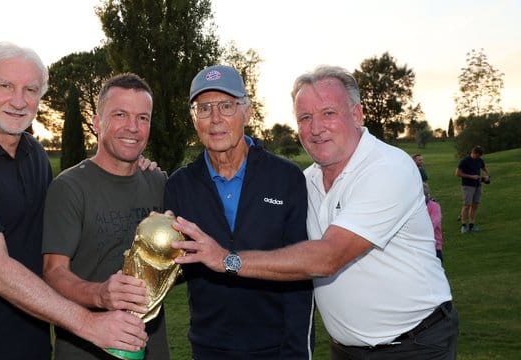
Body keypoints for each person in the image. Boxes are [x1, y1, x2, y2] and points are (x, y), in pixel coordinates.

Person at [170, 65, 458, 360]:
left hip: (413, 345)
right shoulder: (306, 181)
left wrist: (226, 260)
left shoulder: (388, 168)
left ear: (356, 114)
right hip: (345, 349)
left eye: (328, 113)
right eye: (305, 118)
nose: (316, 128)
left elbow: (328, 256)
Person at [0, 42, 147, 359]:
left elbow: (57, 235)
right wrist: (89, 324)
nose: (19, 100)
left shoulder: (33, 155)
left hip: (29, 347)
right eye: (5, 85)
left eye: (31, 89)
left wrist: (130, 164)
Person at [164, 65, 315, 359]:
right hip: (209, 349)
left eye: (226, 105)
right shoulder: (179, 186)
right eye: (204, 108)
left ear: (247, 112)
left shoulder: (286, 178)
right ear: (194, 120)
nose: (216, 118)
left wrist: (298, 352)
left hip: (276, 348)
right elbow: (176, 266)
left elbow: (302, 273)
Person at [42, 73, 170, 360]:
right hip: (86, 351)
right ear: (97, 122)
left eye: (142, 118)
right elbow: (53, 272)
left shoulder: (159, 183)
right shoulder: (69, 188)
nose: (133, 128)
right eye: (120, 114)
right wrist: (101, 294)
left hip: (151, 349)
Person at [456, 145, 490, 233]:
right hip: (467, 186)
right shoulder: (464, 161)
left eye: (479, 156)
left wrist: (487, 175)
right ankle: (463, 225)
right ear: (473, 153)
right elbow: (458, 173)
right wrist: (471, 176)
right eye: (477, 156)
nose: (478, 158)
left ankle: (472, 225)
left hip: (478, 185)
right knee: (467, 205)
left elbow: (484, 168)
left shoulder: (479, 160)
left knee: (475, 205)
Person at [423, 183, 444, 262]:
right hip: (419, 247)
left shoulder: (435, 207)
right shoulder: (416, 208)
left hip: (434, 247)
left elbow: (431, 226)